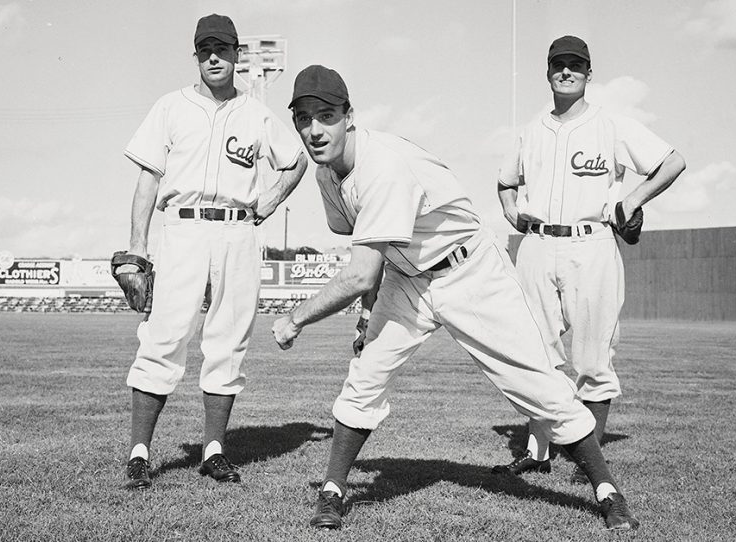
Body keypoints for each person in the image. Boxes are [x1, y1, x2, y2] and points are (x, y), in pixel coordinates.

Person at [272, 64, 639, 531]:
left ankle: (608, 491)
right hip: (409, 280)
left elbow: (361, 273)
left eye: (325, 115)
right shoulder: (328, 172)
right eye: (303, 118)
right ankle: (333, 490)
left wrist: (295, 319)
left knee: (537, 385)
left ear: (349, 116)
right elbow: (362, 239)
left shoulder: (381, 167)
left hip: (469, 271)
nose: (314, 129)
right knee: (365, 376)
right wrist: (369, 318)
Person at [118, 13, 306, 490]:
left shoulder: (257, 113)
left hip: (238, 231)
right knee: (164, 336)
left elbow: (296, 160)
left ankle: (214, 450)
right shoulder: (170, 107)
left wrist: (265, 205)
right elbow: (148, 180)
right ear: (196, 55)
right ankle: (140, 452)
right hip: (181, 228)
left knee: (228, 339)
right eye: (206, 50)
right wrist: (137, 251)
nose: (214, 57)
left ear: (237, 54)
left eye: (222, 49)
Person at [494, 36, 685, 481]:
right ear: (547, 72)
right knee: (536, 354)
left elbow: (671, 161)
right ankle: (538, 452)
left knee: (593, 355)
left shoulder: (612, 125)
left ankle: (589, 460)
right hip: (538, 245)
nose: (567, 71)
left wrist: (632, 200)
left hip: (591, 241)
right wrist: (512, 211)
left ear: (589, 73)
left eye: (575, 65)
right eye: (559, 64)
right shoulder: (531, 129)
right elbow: (505, 182)